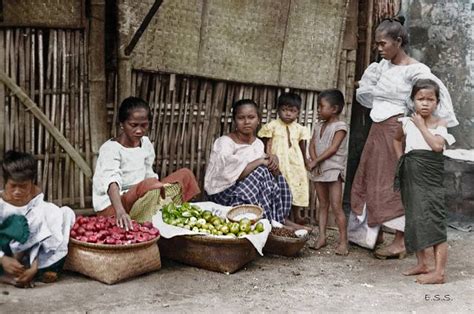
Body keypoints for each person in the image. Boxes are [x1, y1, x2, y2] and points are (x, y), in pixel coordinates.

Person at [350, 17, 458, 259]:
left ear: (398, 42)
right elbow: (368, 92)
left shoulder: (415, 71)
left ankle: (400, 240)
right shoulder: (380, 67)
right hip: (377, 129)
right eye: (377, 44)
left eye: (383, 44)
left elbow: (428, 99)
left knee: (395, 181)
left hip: (397, 131)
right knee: (371, 178)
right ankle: (368, 234)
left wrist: (423, 127)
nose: (379, 48)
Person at [92, 97, 200, 229]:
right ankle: (149, 219)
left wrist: (160, 191)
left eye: (144, 125)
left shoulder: (146, 144)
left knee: (185, 174)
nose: (139, 130)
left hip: (142, 198)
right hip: (115, 207)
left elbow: (149, 173)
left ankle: (165, 211)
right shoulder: (111, 148)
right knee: (151, 185)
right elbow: (111, 181)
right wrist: (120, 211)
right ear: (122, 124)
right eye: (133, 125)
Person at [204, 99, 308, 230]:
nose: (247, 122)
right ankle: (272, 223)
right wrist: (260, 161)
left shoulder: (258, 143)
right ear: (235, 120)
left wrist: (273, 163)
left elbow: (264, 170)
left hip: (249, 192)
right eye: (241, 118)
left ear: (258, 119)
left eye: (251, 117)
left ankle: (278, 219)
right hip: (225, 194)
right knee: (261, 170)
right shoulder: (225, 143)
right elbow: (231, 175)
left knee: (274, 173)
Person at [394, 79, 455, 284]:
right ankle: (422, 264)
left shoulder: (440, 124)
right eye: (420, 99)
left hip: (430, 179)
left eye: (430, 99)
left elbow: (437, 146)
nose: (425, 103)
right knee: (415, 218)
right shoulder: (406, 122)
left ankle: (439, 272)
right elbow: (396, 140)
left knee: (434, 221)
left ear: (437, 102)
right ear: (413, 101)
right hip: (411, 177)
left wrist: (421, 126)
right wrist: (401, 159)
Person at [0, 151, 75, 288]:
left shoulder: (35, 198)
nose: (17, 191)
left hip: (22, 251)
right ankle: (7, 276)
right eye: (13, 186)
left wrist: (34, 265)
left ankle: (30, 271)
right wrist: (3, 259)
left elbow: (37, 233)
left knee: (59, 215)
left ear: (32, 182)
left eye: (23, 186)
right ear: (4, 182)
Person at [258, 93, 311, 225]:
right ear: (278, 110)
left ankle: (297, 215)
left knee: (298, 186)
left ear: (298, 112)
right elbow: (266, 143)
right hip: (279, 162)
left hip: (295, 163)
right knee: (282, 187)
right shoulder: (272, 125)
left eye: (292, 111)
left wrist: (305, 161)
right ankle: (283, 215)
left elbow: (302, 145)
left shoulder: (300, 129)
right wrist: (268, 156)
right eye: (285, 110)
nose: (288, 114)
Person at [307, 89, 349, 255]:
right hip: (319, 170)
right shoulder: (318, 126)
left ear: (334, 109)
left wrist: (316, 161)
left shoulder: (340, 127)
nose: (318, 109)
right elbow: (311, 144)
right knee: (322, 204)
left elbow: (333, 148)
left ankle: (343, 241)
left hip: (333, 170)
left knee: (336, 207)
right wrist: (315, 160)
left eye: (321, 106)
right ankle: (322, 236)